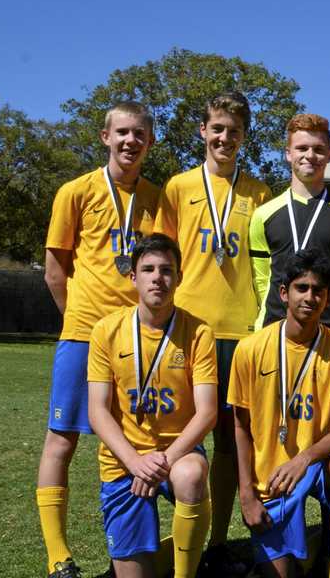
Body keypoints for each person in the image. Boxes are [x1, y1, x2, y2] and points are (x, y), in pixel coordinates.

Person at [39, 100, 161, 578]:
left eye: (140, 135)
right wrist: (82, 323)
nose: (131, 141)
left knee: (129, 442)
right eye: (123, 132)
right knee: (62, 440)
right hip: (86, 335)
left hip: (139, 340)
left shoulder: (157, 197)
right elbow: (55, 270)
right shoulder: (75, 192)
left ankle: (126, 556)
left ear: (150, 143)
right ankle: (58, 555)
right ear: (105, 136)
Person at [154, 90, 272, 569]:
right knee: (177, 436)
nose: (225, 138)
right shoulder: (177, 188)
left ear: (244, 137)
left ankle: (219, 542)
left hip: (239, 334)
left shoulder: (259, 192)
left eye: (234, 131)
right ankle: (178, 538)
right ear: (203, 131)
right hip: (186, 329)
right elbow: (160, 256)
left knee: (230, 442)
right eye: (217, 128)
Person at [228, 249, 330, 578]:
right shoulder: (249, 349)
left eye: (318, 290)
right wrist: (247, 496)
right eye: (301, 288)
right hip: (271, 480)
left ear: (328, 298)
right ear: (284, 293)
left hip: (318, 463)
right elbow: (240, 427)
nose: (310, 296)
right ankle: (305, 550)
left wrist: (303, 459)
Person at [86, 233, 218, 578]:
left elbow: (207, 412)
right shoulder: (105, 330)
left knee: (191, 475)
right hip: (124, 460)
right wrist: (134, 461)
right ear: (133, 277)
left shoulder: (199, 331)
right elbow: (97, 410)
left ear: (179, 277)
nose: (158, 277)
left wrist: (162, 462)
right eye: (148, 269)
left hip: (177, 453)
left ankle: (187, 572)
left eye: (166, 270)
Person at [250, 113, 330, 336]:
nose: (310, 155)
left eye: (319, 149)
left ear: (329, 155)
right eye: (302, 148)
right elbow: (262, 281)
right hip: (274, 331)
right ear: (288, 153)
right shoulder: (263, 215)